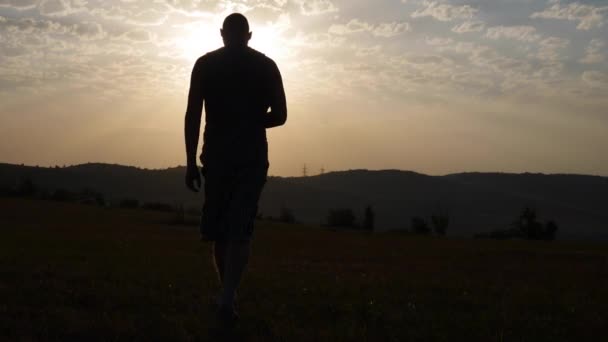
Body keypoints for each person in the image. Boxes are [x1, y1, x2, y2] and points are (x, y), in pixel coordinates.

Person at [183, 13, 287, 325]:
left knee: (222, 230)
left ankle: (227, 297)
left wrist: (190, 162)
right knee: (238, 227)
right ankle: (228, 297)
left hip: (215, 155)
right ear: (250, 35)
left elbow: (192, 115)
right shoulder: (266, 66)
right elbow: (281, 115)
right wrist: (253, 120)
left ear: (221, 34)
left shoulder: (205, 64)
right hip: (250, 155)